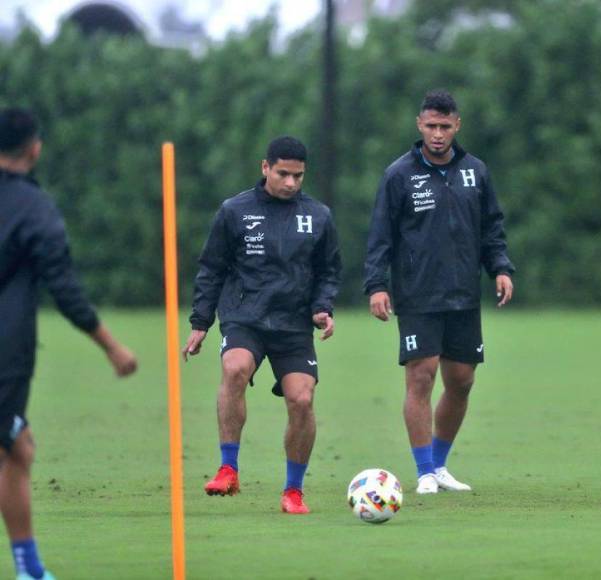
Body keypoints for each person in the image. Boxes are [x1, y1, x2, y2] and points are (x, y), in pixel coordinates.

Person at [0, 107, 138, 580]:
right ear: (34, 148)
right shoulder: (34, 208)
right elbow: (65, 290)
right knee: (9, 447)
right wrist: (112, 346)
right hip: (5, 354)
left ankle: (30, 568)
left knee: (17, 448)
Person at [364, 90, 515, 494]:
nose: (437, 134)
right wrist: (377, 284)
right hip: (417, 293)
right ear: (419, 124)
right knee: (421, 376)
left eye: (444, 127)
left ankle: (441, 464)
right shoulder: (399, 175)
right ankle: (424, 471)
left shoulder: (475, 172)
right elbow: (381, 235)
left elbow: (492, 228)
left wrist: (499, 267)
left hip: (463, 294)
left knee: (462, 381)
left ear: (457, 126)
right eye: (431, 126)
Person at [183, 136, 340, 515]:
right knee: (234, 368)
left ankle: (293, 491)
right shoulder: (234, 211)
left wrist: (322, 308)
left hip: (293, 325)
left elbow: (329, 272)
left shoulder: (318, 216)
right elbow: (212, 269)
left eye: (298, 176)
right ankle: (228, 468)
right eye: (283, 173)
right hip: (245, 316)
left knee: (301, 400)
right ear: (265, 167)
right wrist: (201, 322)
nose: (290, 183)